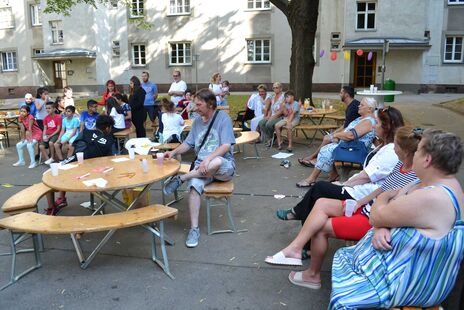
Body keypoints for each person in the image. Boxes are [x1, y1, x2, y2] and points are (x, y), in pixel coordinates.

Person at [265, 126, 419, 290]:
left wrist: (380, 224)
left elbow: (398, 207)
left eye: (396, 145)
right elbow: (382, 189)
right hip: (367, 207)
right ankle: (294, 249)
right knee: (322, 202)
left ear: (406, 151)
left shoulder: (415, 177)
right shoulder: (401, 166)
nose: (392, 148)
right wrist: (362, 202)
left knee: (320, 227)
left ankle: (312, 275)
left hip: (374, 219)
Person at [329, 129, 464, 309]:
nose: (413, 153)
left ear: (427, 159)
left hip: (412, 284)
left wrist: (381, 217)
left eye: (418, 151)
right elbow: (385, 207)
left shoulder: (433, 197)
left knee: (343, 301)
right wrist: (381, 224)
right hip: (408, 271)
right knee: (344, 256)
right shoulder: (434, 183)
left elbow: (377, 214)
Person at [276, 106, 405, 224]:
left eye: (376, 123)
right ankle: (305, 238)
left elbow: (366, 176)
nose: (373, 126)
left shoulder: (391, 150)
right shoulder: (385, 145)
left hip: (365, 194)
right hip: (361, 189)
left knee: (319, 188)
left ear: (387, 126)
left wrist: (344, 184)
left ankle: (297, 214)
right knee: (319, 194)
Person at [162, 88, 236, 248]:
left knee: (215, 162)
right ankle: (194, 229)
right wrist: (173, 152)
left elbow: (225, 145)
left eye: (198, 104)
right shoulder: (196, 121)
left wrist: (208, 158)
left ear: (210, 104)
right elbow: (188, 144)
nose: (194, 108)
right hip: (201, 169)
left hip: (223, 166)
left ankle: (182, 178)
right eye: (194, 104)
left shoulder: (223, 118)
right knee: (194, 189)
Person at [296, 97, 377, 188]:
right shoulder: (361, 119)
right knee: (328, 145)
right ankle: (333, 175)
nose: (359, 106)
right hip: (349, 147)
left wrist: (335, 135)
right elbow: (347, 132)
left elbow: (351, 135)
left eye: (362, 105)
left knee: (327, 150)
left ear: (370, 109)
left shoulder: (368, 121)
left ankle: (311, 179)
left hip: (355, 150)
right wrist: (337, 136)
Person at [46, 115, 115, 215]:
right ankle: (61, 198)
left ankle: (51, 207)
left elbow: (72, 147)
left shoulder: (86, 132)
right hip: (95, 172)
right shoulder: (109, 141)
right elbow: (110, 160)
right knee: (58, 175)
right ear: (108, 128)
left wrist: (66, 160)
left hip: (77, 164)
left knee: (48, 176)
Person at [298, 86, 360, 167]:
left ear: (347, 95)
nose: (339, 94)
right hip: (350, 133)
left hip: (352, 137)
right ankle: (315, 158)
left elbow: (347, 128)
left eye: (341, 93)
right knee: (327, 137)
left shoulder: (353, 108)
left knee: (327, 138)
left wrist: (334, 134)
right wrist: (334, 133)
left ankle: (314, 158)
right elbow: (346, 125)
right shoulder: (352, 105)